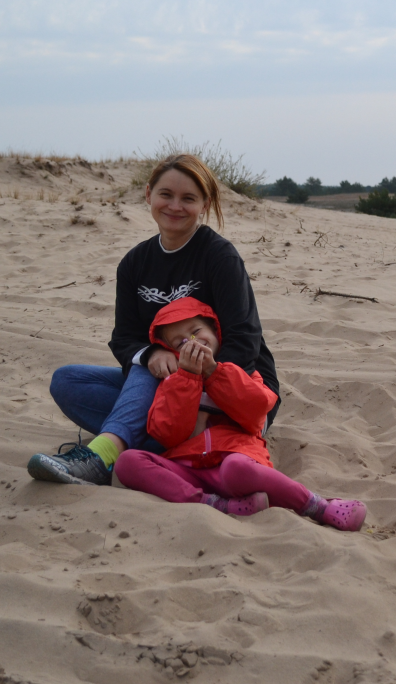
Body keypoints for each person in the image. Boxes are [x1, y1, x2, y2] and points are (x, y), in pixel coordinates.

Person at [27, 154, 279, 486]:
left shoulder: (219, 257)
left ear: (204, 204)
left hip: (235, 392)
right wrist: (152, 354)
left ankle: (104, 454)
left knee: (146, 371)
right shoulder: (134, 264)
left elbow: (245, 341)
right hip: (170, 391)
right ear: (148, 194)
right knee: (68, 381)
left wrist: (199, 392)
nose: (175, 206)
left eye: (188, 198)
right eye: (166, 194)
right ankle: (165, 445)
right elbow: (124, 338)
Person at [114, 296, 365, 531]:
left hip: (236, 463)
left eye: (196, 331)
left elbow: (257, 412)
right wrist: (187, 378)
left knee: (236, 468)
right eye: (180, 343)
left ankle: (317, 506)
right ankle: (214, 504)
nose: (191, 342)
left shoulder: (241, 372)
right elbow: (168, 434)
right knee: (128, 462)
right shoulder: (172, 382)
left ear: (216, 332)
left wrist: (213, 372)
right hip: (188, 469)